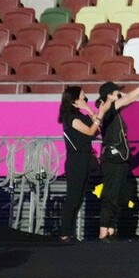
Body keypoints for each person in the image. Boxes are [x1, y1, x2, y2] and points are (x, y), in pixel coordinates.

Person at [96, 75, 139, 242]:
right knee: (110, 193)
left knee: (118, 194)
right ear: (109, 94)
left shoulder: (114, 111)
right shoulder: (108, 109)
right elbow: (129, 98)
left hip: (121, 159)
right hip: (112, 159)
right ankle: (103, 230)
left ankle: (110, 228)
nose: (119, 94)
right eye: (116, 92)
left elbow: (131, 99)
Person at [58, 86, 111, 241]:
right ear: (74, 100)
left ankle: (70, 232)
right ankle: (64, 233)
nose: (85, 99)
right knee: (73, 197)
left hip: (85, 158)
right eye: (83, 97)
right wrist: (99, 113)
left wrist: (88, 109)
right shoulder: (70, 117)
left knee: (79, 197)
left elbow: (96, 128)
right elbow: (89, 131)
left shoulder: (80, 115)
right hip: (76, 160)